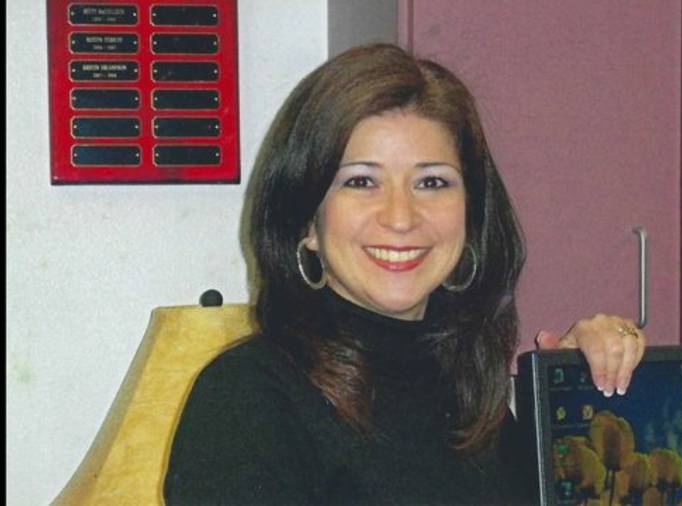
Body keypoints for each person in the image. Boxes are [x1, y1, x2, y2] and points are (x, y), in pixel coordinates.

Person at [164, 43, 646, 505]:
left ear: (471, 214)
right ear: (307, 220)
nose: (401, 217)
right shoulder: (245, 398)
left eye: (431, 182)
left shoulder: (470, 393)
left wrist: (577, 396)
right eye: (361, 181)